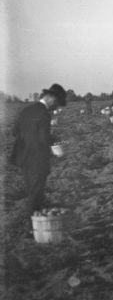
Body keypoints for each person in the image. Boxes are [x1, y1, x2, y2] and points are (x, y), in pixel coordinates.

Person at [9, 84, 67, 215]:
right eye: (57, 104)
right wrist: (58, 143)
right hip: (37, 159)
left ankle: (33, 223)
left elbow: (15, 132)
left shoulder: (26, 110)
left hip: (23, 158)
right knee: (36, 194)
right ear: (52, 99)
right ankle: (33, 227)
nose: (56, 107)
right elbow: (43, 139)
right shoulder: (44, 114)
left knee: (32, 191)